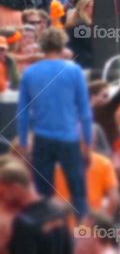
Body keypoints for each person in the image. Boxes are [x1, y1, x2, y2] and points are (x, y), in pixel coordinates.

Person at [17, 27, 93, 217]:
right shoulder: (74, 70)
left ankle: (47, 236)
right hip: (69, 137)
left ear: (42, 46)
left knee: (43, 194)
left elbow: (23, 112)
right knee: (79, 192)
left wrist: (24, 143)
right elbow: (85, 111)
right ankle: (82, 230)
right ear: (62, 45)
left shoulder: (30, 73)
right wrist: (88, 144)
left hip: (43, 138)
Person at [0, 159, 73, 254]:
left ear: (15, 189)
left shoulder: (24, 224)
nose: (2, 200)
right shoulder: (58, 211)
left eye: (2, 194)